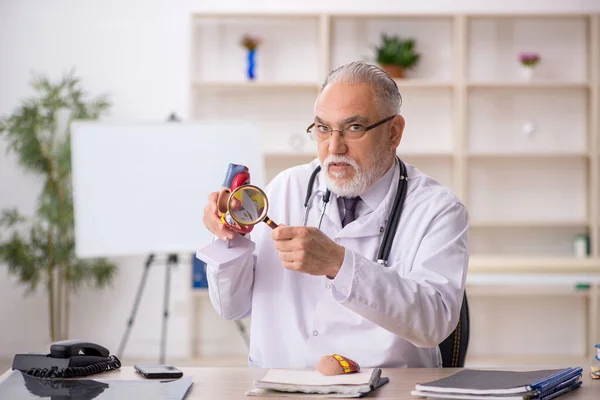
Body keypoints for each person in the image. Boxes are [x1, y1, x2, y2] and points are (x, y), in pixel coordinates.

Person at [198, 61, 469, 369]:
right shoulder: (286, 188)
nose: (334, 147)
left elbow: (435, 322)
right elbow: (232, 308)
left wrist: (338, 263)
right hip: (280, 386)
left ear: (394, 132)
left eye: (354, 128)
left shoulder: (438, 210)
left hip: (389, 389)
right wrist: (230, 240)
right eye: (324, 128)